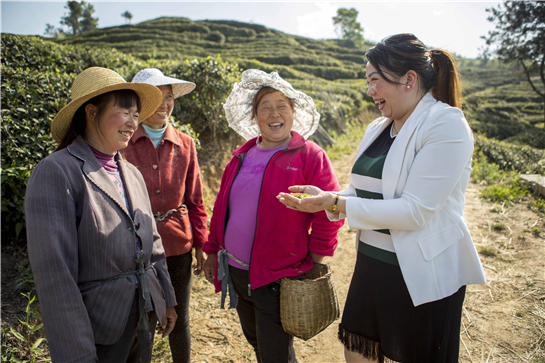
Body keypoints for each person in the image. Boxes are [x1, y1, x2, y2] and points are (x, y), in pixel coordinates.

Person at [278, 34, 487, 363]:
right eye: (367, 80)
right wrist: (329, 197)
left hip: (419, 276)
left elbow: (414, 212)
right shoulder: (378, 126)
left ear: (409, 79)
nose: (369, 90)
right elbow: (369, 193)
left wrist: (337, 204)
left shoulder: (446, 125)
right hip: (373, 265)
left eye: (375, 80)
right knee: (358, 351)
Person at [24, 66, 178, 363]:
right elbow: (56, 276)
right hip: (99, 323)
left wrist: (167, 299)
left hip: (142, 313)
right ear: (91, 112)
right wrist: (76, 353)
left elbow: (152, 242)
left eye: (136, 115)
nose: (133, 123)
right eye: (124, 112)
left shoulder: (130, 172)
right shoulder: (57, 171)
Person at [202, 69, 344, 363]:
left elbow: (330, 213)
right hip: (238, 273)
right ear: (255, 117)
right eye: (265, 107)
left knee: (275, 354)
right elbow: (222, 208)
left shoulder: (310, 156)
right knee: (257, 343)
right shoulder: (241, 156)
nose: (274, 113)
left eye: (282, 106)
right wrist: (212, 249)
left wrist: (314, 260)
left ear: (293, 113)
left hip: (279, 276)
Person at [122, 68, 209, 363]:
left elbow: (195, 199)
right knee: (142, 320)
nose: (164, 104)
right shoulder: (122, 143)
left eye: (169, 97)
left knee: (180, 318)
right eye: (155, 97)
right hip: (136, 247)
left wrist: (201, 244)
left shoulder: (185, 143)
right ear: (140, 103)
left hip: (177, 244)